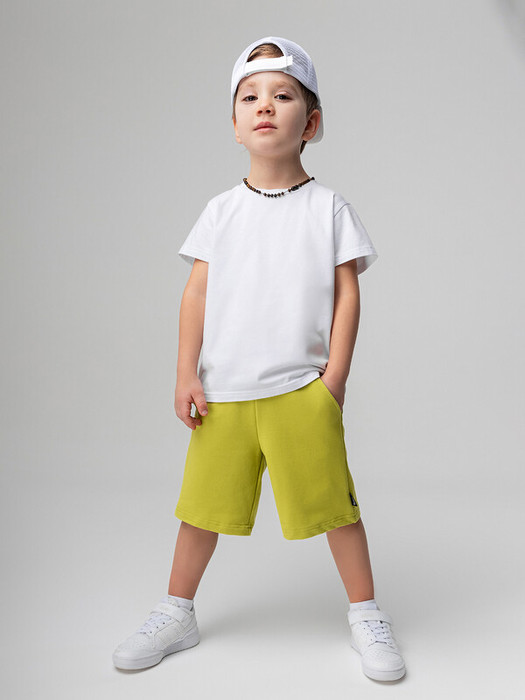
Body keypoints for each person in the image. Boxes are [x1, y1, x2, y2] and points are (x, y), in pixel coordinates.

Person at [113, 36, 406, 683]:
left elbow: (348, 295)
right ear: (235, 124)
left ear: (312, 122)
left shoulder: (329, 208)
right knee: (200, 512)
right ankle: (176, 611)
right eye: (249, 97)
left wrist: (333, 380)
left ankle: (365, 614)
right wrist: (185, 373)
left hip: (300, 391)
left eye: (282, 95)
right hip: (223, 394)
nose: (264, 106)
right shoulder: (220, 212)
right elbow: (196, 294)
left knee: (335, 509)